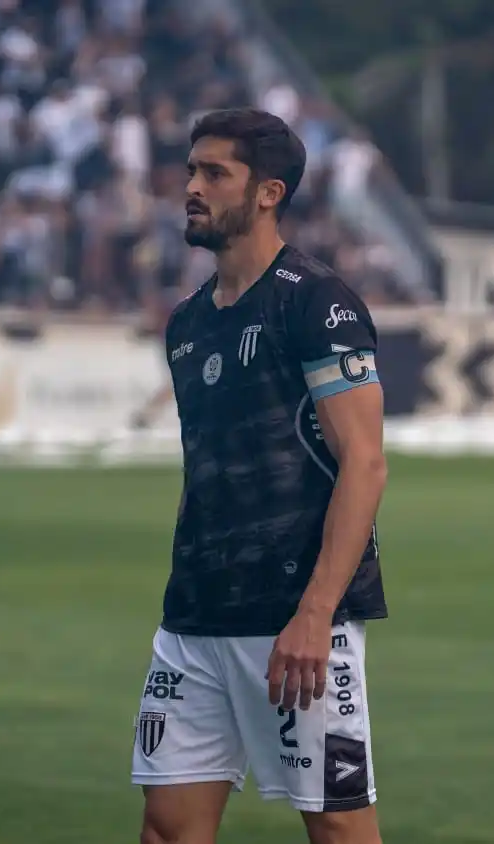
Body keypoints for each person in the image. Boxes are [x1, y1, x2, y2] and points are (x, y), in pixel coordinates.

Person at [132, 108, 389, 844]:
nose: (192, 186)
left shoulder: (317, 303)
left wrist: (316, 613)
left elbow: (365, 465)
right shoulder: (186, 325)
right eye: (190, 171)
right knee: (168, 829)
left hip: (293, 618)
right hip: (194, 619)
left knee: (338, 829)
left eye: (215, 173)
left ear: (268, 192)